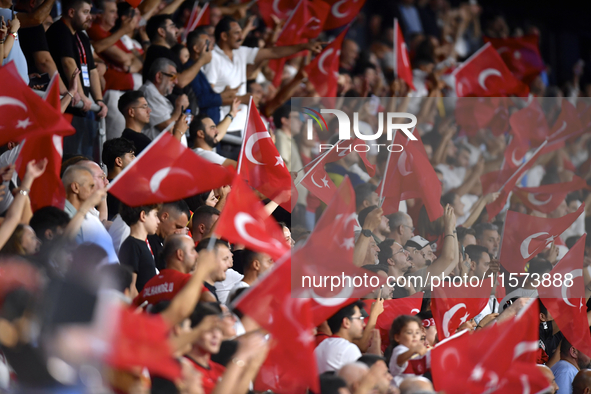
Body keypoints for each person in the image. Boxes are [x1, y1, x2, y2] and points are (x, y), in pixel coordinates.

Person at [45, 0, 108, 156]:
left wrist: (98, 100)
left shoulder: (82, 36)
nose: (90, 17)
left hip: (80, 106)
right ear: (71, 12)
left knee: (78, 157)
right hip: (66, 105)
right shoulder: (59, 30)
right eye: (85, 12)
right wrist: (82, 98)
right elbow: (68, 63)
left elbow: (92, 71)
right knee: (65, 156)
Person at [184, 302, 268, 394]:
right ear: (194, 331)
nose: (216, 335)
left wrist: (253, 366)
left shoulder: (220, 369)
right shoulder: (185, 368)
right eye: (209, 330)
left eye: (219, 330)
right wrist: (241, 357)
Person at [134, 234, 215, 307]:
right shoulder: (186, 281)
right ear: (180, 254)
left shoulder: (149, 286)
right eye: (193, 250)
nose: (197, 255)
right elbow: (211, 301)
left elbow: (133, 308)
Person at [61, 165, 118, 263]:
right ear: (75, 188)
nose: (94, 190)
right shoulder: (61, 213)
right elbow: (64, 244)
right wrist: (87, 205)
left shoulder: (89, 214)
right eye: (91, 186)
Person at [142, 14, 211, 88]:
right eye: (172, 27)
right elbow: (179, 81)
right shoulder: (158, 53)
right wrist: (201, 60)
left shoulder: (164, 52)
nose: (177, 30)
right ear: (161, 31)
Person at [185, 27, 238, 124]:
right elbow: (200, 100)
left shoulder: (199, 70)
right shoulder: (189, 70)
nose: (212, 48)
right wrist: (221, 96)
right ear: (196, 48)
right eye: (208, 44)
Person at [139, 58, 189, 143]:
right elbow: (168, 128)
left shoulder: (156, 94)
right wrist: (179, 108)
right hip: (155, 152)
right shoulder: (149, 92)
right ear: (159, 77)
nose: (176, 82)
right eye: (173, 76)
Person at [118, 203, 160, 292]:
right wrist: (140, 306)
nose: (158, 221)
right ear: (143, 215)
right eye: (155, 215)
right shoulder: (131, 245)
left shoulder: (140, 244)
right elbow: (130, 287)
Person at [315, 301, 366, 374]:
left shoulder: (320, 347)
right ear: (346, 322)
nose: (363, 324)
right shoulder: (348, 349)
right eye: (359, 318)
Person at [386, 315, 430, 387]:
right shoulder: (400, 349)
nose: (415, 336)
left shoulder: (420, 351)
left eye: (417, 332)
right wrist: (413, 350)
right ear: (397, 337)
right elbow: (400, 359)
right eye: (409, 332)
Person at [147, 200, 191, 270]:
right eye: (177, 227)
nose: (177, 232)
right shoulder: (146, 240)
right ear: (164, 217)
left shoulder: (166, 244)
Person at [102, 137, 136, 220]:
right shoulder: (118, 192)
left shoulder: (107, 187)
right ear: (119, 161)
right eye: (131, 156)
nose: (136, 159)